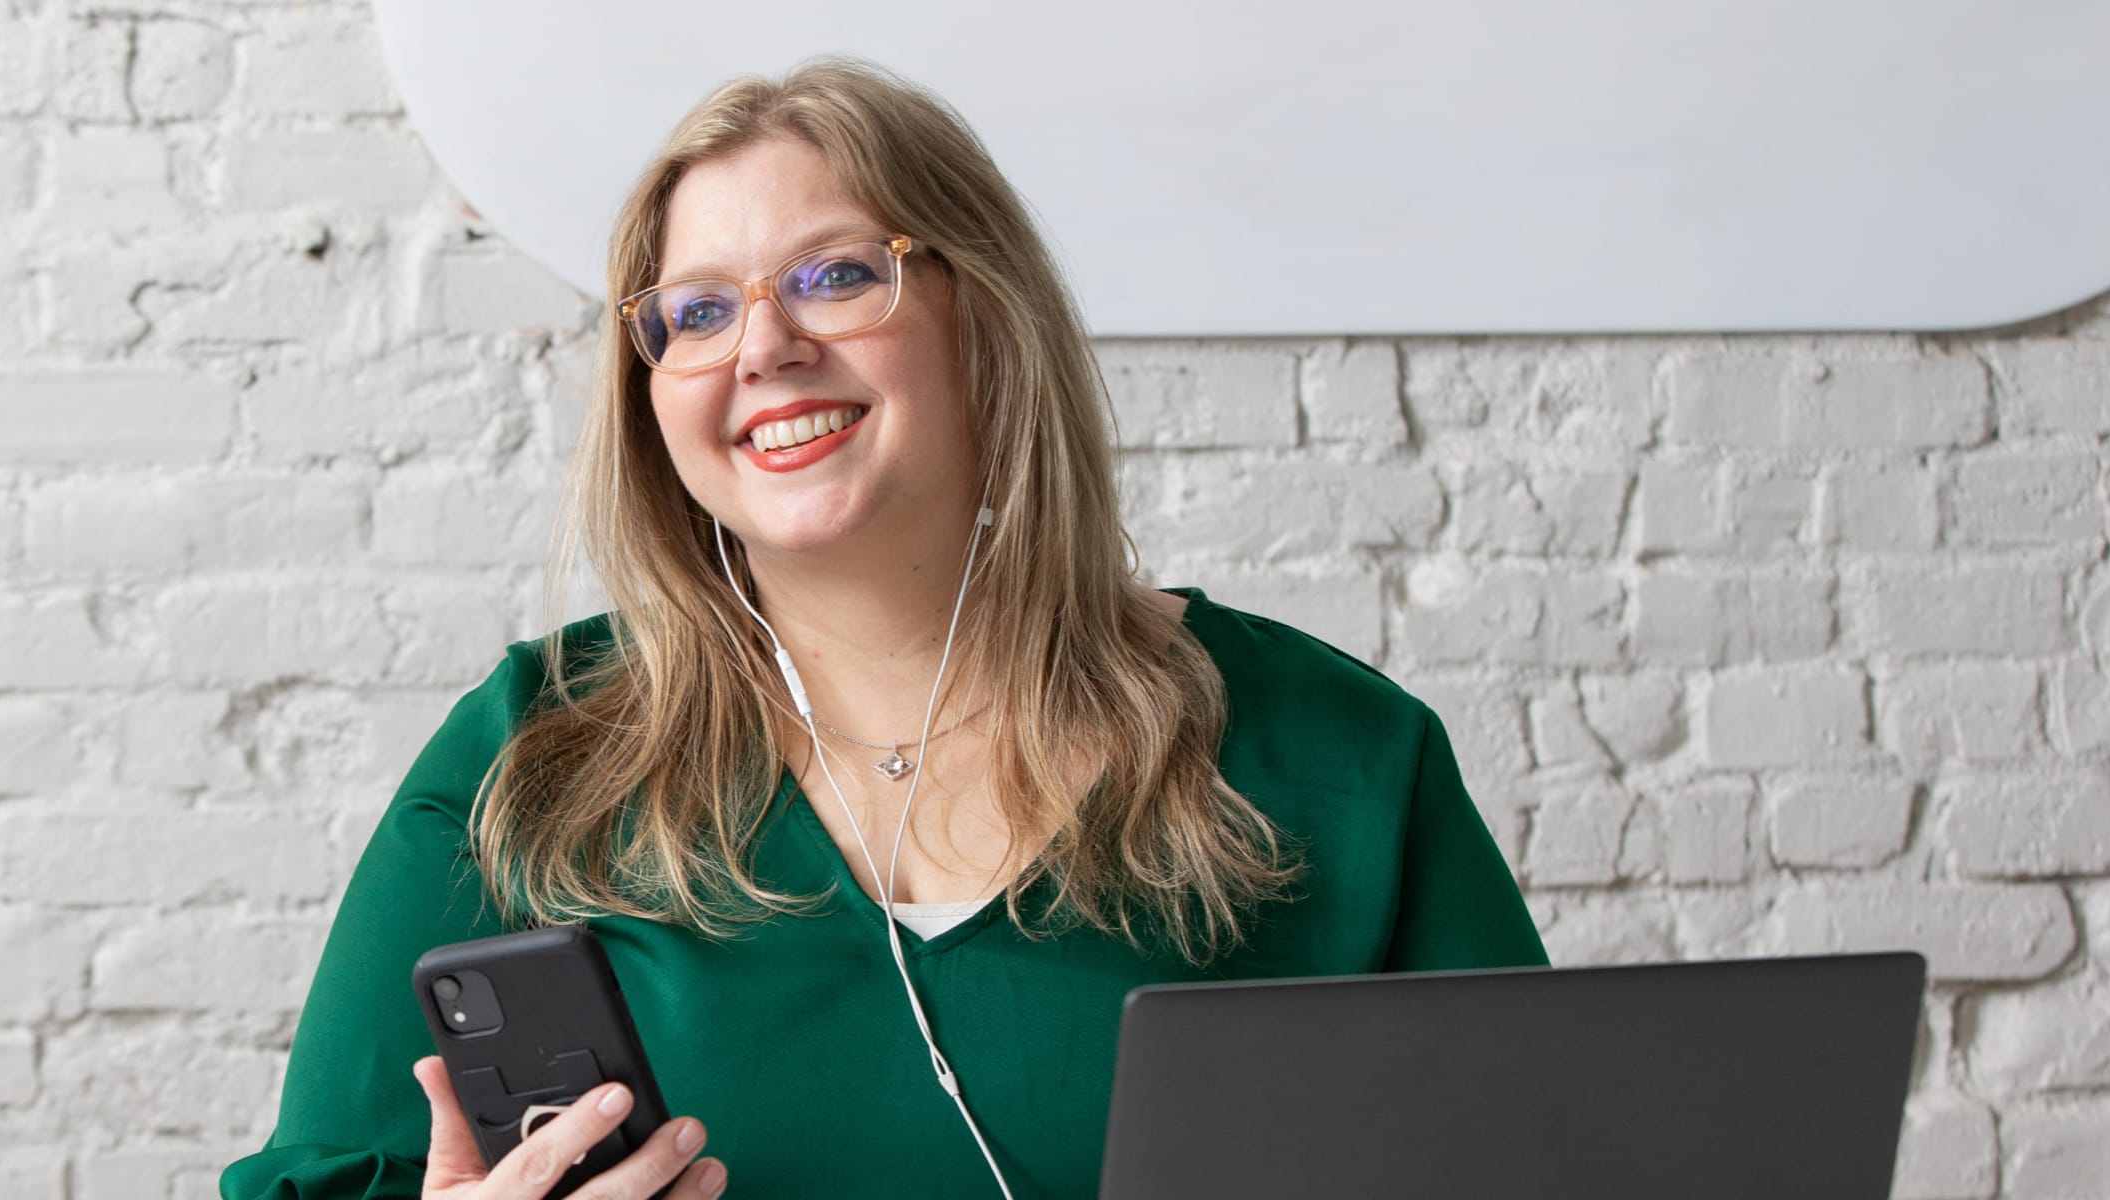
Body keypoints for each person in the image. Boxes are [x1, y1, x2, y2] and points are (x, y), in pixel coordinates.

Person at [220, 57, 1544, 1200]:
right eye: (696, 310)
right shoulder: (536, 751)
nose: (763, 347)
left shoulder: (1336, 757)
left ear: (986, 315)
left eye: (835, 274)